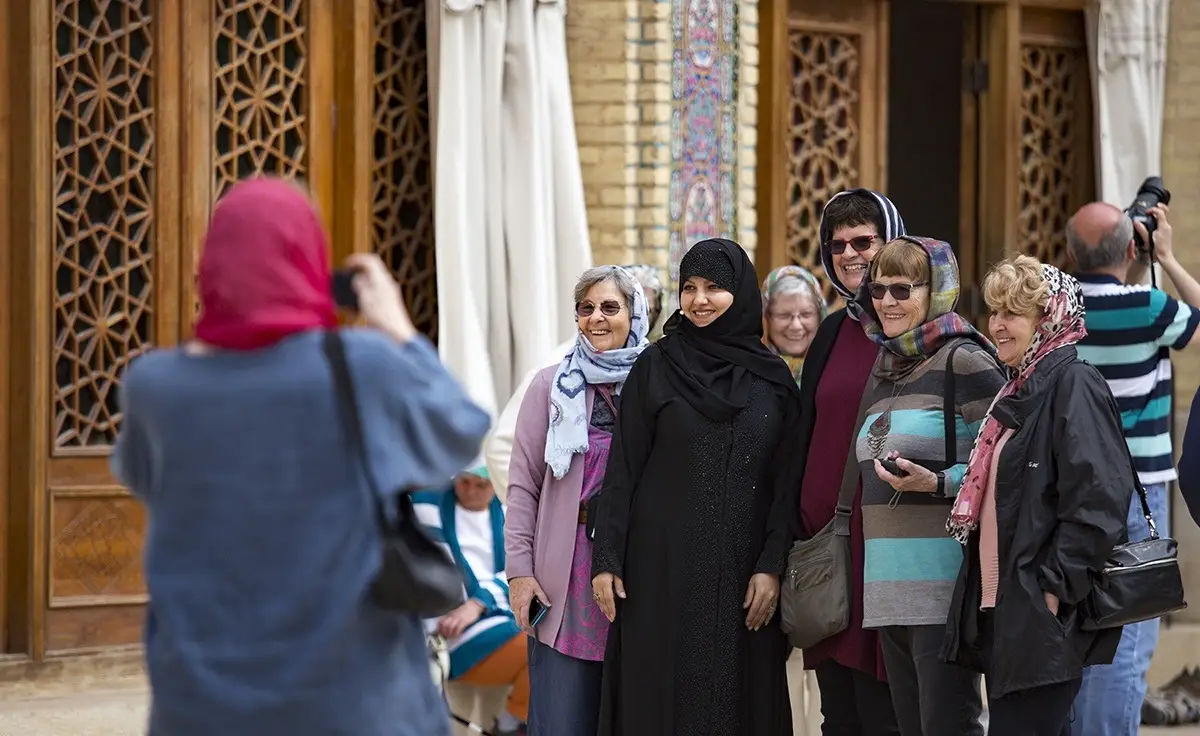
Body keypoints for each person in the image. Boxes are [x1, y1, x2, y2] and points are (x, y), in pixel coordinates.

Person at [111, 178, 490, 735]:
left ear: (210, 265)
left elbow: (144, 479)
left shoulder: (155, 387)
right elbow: (462, 431)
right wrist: (399, 328)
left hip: (201, 702)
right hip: (353, 700)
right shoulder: (361, 367)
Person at [590, 238, 802, 735]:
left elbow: (785, 486)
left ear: (742, 294)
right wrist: (607, 561)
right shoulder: (655, 367)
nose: (699, 299)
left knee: (736, 702)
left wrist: (772, 565)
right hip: (658, 573)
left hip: (742, 576)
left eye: (714, 288)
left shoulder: (773, 381)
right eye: (689, 287)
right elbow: (624, 470)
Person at [943, 255, 1134, 736]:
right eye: (995, 312)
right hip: (1007, 609)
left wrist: (1051, 591)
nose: (998, 326)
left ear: (1048, 318)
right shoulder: (1020, 388)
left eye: (1014, 314)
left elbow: (1099, 501)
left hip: (1036, 610)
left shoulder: (1073, 382)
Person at [852, 237, 1003, 735]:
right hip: (889, 590)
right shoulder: (885, 366)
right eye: (878, 289)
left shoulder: (965, 359)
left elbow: (1008, 462)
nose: (887, 302)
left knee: (949, 727)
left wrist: (937, 482)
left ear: (937, 290)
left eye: (902, 289)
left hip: (943, 590)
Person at [1064, 201, 1200, 736]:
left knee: (1078, 623)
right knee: (1128, 628)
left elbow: (1109, 285)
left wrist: (1133, 258)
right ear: (1129, 250)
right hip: (1139, 493)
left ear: (1070, 253)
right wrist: (1164, 254)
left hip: (1069, 490)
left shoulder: (1058, 307)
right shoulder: (1149, 307)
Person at [504, 266, 650, 736]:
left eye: (610, 307)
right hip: (562, 574)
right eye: (585, 309)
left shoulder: (657, 385)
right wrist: (520, 574)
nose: (596, 319)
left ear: (635, 313)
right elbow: (523, 486)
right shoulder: (551, 387)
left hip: (636, 571)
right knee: (562, 715)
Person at [793, 189, 906, 735]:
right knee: (839, 714)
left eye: (865, 240)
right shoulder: (833, 332)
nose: (850, 253)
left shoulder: (923, 331)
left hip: (895, 560)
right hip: (834, 555)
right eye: (837, 244)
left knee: (889, 712)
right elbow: (804, 434)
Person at [485, 264, 665, 499]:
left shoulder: (654, 371)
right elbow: (501, 447)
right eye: (590, 308)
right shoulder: (561, 370)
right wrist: (546, 509)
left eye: (648, 310)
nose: (644, 317)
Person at [413, 467, 527, 736]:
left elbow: (522, 567)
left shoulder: (512, 509)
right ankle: (511, 725)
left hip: (497, 612)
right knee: (534, 648)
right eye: (464, 482)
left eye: (481, 485)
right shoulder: (429, 504)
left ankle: (512, 722)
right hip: (451, 627)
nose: (471, 491)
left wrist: (479, 602)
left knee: (545, 641)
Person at [762, 265, 828, 386]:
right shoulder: (746, 374)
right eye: (784, 315)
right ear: (766, 318)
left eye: (806, 314)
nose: (796, 326)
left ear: (820, 316)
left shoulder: (838, 368)